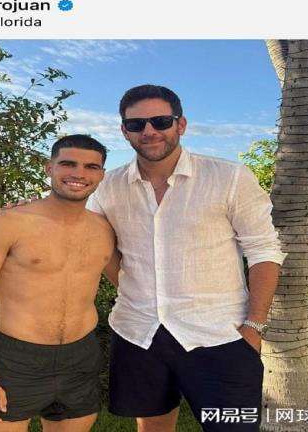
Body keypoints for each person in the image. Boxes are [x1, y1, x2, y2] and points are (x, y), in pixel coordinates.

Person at [86, 84, 287, 432]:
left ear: (181, 124)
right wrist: (25, 212)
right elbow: (88, 239)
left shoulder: (229, 178)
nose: (149, 131)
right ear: (124, 131)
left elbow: (264, 250)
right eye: (136, 124)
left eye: (161, 121)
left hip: (219, 334)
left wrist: (254, 327)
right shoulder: (107, 187)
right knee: (153, 425)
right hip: (138, 332)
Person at [0, 135, 119, 432]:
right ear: (49, 168)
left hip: (81, 357)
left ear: (101, 175)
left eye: (91, 167)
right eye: (68, 163)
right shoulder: (4, 224)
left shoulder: (105, 229)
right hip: (17, 359)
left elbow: (129, 282)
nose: (79, 173)